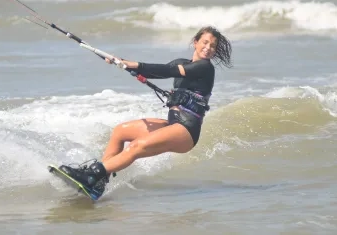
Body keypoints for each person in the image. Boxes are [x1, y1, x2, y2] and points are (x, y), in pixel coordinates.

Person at [60, 26, 233, 200]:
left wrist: (134, 64)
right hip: (173, 125)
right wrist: (120, 61)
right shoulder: (182, 62)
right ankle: (98, 184)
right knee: (120, 131)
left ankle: (93, 174)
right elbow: (156, 71)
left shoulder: (205, 68)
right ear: (196, 42)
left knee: (137, 145)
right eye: (205, 42)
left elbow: (168, 72)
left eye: (213, 46)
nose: (208, 48)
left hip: (187, 130)